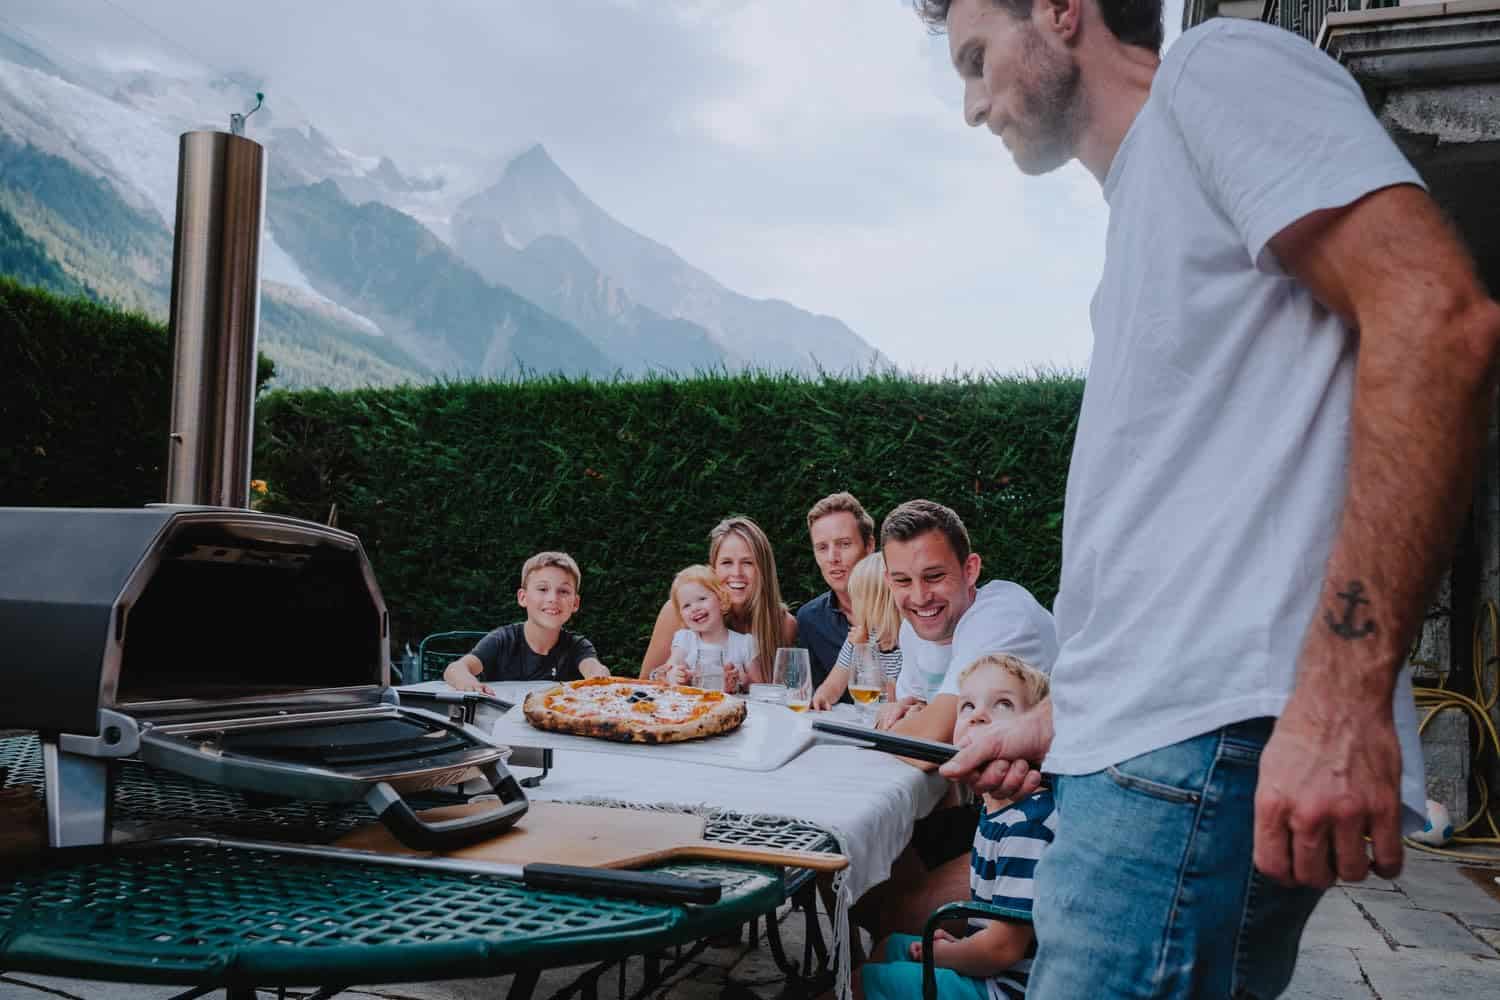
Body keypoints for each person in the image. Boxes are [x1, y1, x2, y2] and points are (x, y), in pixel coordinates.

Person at [916, 2, 1500, 997]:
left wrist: (1345, 690)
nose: (972, 104)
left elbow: (1436, 315)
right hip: (1144, 758)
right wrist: (1057, 719)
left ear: (1063, 11)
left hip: (1192, 766)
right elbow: (1194, 566)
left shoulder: (1214, 72)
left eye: (977, 59)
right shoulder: (1146, 210)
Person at [872, 499, 1058, 936]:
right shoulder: (915, 626)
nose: (919, 597)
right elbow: (912, 710)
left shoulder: (1000, 615)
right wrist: (909, 714)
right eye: (903, 581)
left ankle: (883, 972)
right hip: (988, 808)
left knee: (888, 909)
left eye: (934, 576)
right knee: (853, 860)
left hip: (1042, 824)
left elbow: (928, 743)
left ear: (970, 569)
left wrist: (907, 723)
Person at [859, 652, 1055, 1000]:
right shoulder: (998, 808)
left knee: (867, 982)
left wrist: (946, 955)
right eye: (967, 706)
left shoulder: (1028, 824)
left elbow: (1003, 949)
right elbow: (993, 926)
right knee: (891, 946)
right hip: (992, 966)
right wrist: (961, 945)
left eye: (1004, 704)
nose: (978, 714)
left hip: (1005, 988)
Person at [640, 515, 797, 677]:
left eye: (748, 563)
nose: (737, 573)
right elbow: (644, 685)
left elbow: (779, 693)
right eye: (726, 563)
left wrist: (741, 682)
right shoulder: (677, 612)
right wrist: (667, 675)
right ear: (713, 568)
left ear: (763, 570)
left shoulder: (783, 624)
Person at [443, 551, 609, 693]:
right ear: (523, 597)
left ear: (575, 603)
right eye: (543, 589)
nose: (553, 598)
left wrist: (599, 675)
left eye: (563, 591)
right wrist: (468, 681)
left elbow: (593, 669)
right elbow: (456, 669)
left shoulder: (578, 646)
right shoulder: (502, 639)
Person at [796, 492, 877, 696]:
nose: (833, 558)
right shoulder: (809, 620)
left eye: (844, 544)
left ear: (869, 546)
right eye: (822, 548)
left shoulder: (902, 608)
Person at [811, 551, 902, 710]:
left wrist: (865, 651)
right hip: (862, 722)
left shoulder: (907, 644)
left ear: (877, 603)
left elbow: (892, 698)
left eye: (857, 598)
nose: (853, 605)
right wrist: (821, 697)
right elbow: (833, 685)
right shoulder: (858, 637)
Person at [652, 565, 760, 692]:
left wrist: (742, 680)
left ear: (721, 599)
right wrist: (675, 676)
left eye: (702, 599)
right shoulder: (685, 639)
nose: (695, 608)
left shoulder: (744, 643)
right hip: (695, 709)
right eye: (686, 605)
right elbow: (669, 668)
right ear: (681, 615)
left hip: (732, 708)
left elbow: (759, 686)